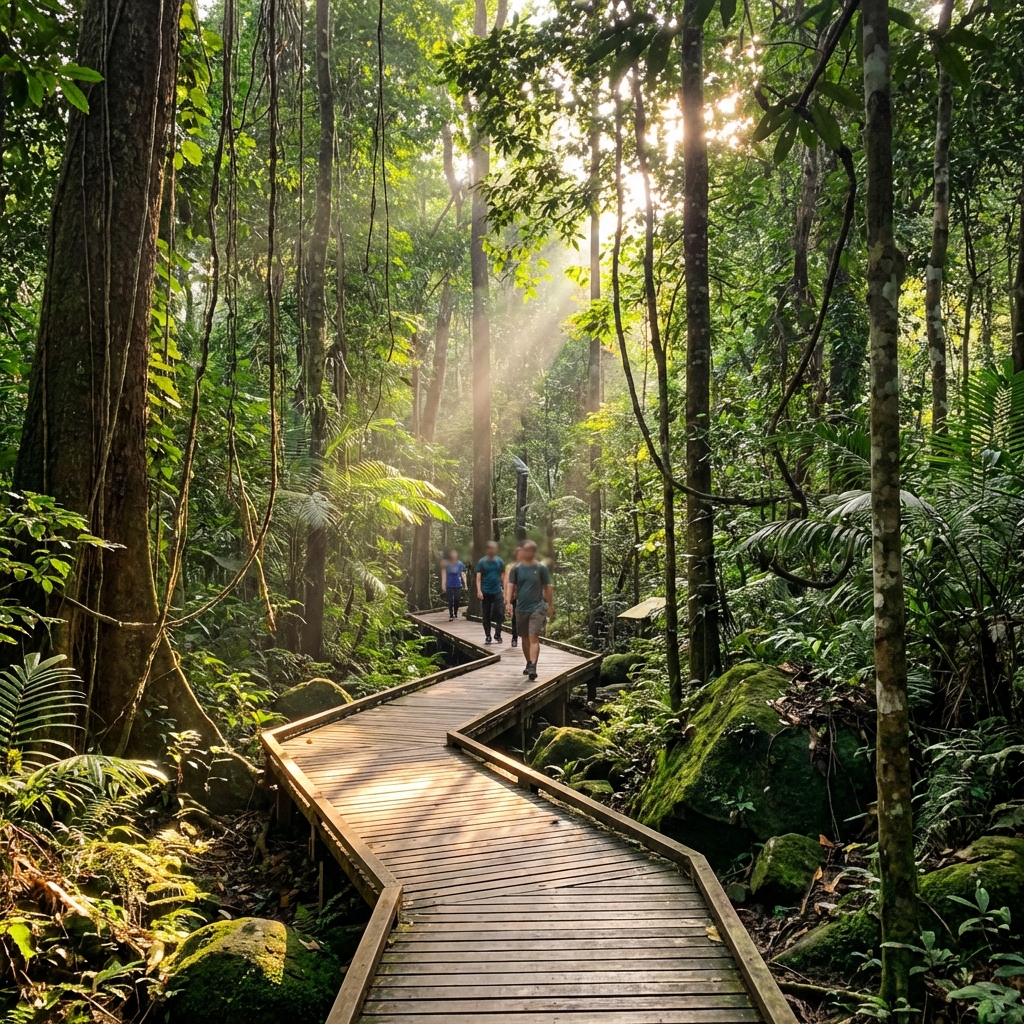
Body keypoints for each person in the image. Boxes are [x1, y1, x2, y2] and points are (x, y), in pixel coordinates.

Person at [507, 540, 552, 680]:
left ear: (534, 552)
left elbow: (547, 587)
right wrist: (508, 603)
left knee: (533, 636)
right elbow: (510, 585)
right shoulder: (516, 569)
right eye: (526, 550)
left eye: (531, 550)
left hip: (537, 607)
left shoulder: (541, 568)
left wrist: (550, 605)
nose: (528, 553)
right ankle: (528, 663)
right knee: (525, 637)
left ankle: (533, 665)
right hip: (521, 607)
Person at [475, 540, 506, 645]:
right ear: (487, 550)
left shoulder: (499, 561)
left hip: (497, 591)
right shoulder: (482, 562)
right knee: (486, 615)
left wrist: (505, 589)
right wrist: (479, 590)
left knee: (500, 613)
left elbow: (503, 575)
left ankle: (498, 634)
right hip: (486, 591)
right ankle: (488, 636)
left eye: (494, 548)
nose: (492, 550)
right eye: (490, 548)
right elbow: (478, 577)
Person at [505, 544, 522, 648]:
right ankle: (514, 638)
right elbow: (509, 584)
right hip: (517, 596)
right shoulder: (513, 568)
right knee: (515, 618)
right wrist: (508, 600)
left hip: (528, 597)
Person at [440, 549, 465, 621]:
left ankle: (455, 613)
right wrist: (443, 584)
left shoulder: (460, 564)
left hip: (458, 584)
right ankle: (451, 614)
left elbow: (462, 573)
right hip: (449, 584)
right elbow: (444, 574)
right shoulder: (447, 564)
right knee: (450, 600)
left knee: (457, 599)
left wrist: (465, 583)